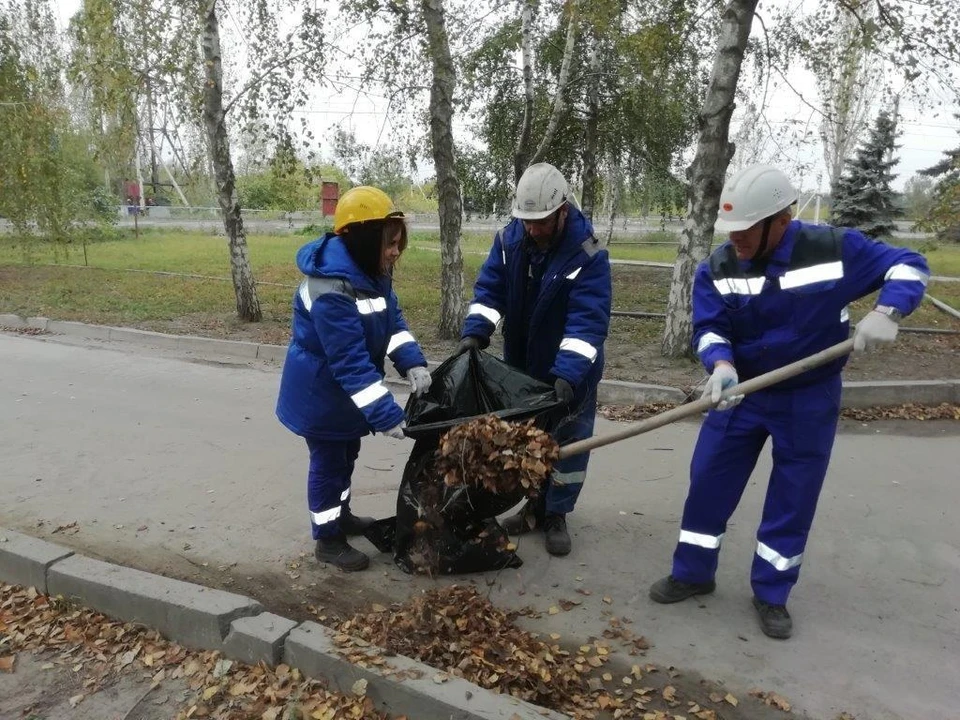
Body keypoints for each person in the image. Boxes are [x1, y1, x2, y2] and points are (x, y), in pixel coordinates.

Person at [648, 164, 930, 639]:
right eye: (730, 230)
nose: (735, 239)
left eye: (745, 230)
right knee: (708, 482)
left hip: (807, 396)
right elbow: (709, 326)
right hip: (741, 392)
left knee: (793, 497)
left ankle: (771, 592)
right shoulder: (719, 266)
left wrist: (888, 309)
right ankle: (693, 573)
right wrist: (719, 365)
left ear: (781, 219)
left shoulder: (834, 251)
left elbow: (909, 264)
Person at [457, 162, 612, 557]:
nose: (534, 229)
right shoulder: (510, 242)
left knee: (567, 443)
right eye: (527, 221)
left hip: (569, 373)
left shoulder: (587, 254)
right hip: (523, 366)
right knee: (528, 443)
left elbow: (587, 321)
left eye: (541, 221)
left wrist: (568, 375)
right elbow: (490, 289)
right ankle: (533, 507)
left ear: (562, 211)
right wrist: (476, 331)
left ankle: (556, 514)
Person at [275, 186, 432, 572]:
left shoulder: (371, 272)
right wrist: (387, 414)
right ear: (363, 237)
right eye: (390, 243)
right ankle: (327, 540)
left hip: (343, 396)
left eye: (399, 243)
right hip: (322, 395)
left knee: (347, 457)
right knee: (329, 465)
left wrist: (412, 361)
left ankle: (340, 516)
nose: (396, 251)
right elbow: (349, 362)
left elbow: (392, 321)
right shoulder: (330, 288)